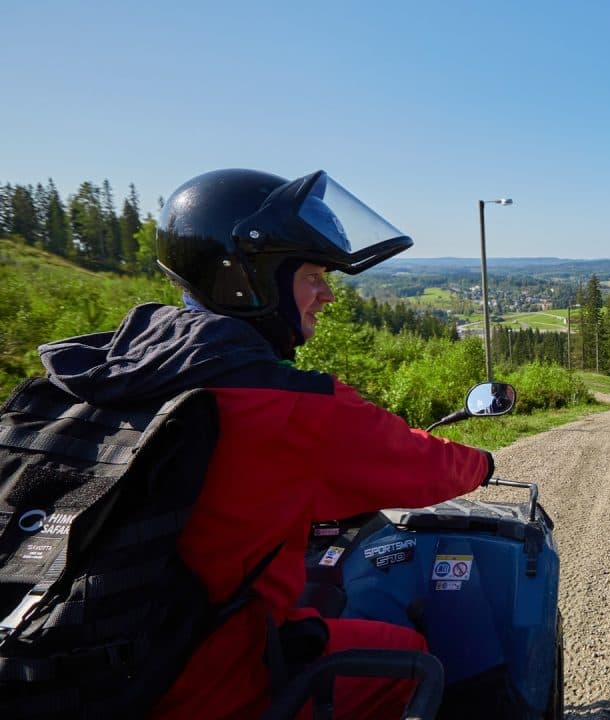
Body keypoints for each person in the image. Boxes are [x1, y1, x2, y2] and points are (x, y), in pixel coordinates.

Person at [36, 169, 496, 720]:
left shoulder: (104, 369)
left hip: (72, 667)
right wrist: (484, 463)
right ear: (246, 279)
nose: (326, 294)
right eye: (311, 275)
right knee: (408, 659)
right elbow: (427, 466)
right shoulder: (286, 406)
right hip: (208, 681)